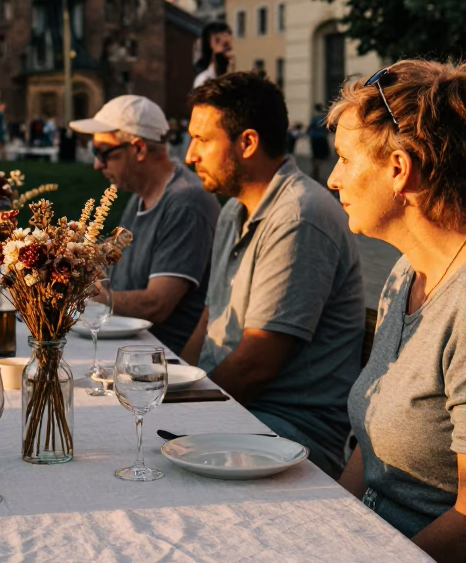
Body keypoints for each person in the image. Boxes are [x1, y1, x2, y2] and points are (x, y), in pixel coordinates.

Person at [181, 59, 466, 563]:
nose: (333, 180)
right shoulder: (408, 278)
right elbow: (370, 448)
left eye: (344, 160)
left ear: (400, 169)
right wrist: (320, 536)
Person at [184, 72, 365, 477]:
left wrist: (187, 415)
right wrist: (173, 389)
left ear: (247, 142)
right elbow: (209, 318)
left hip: (285, 431)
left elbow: (256, 365)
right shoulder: (234, 210)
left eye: (203, 139)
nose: (190, 155)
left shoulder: (298, 217)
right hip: (237, 411)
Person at [69, 95, 220, 357]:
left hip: (163, 363)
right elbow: (115, 274)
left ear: (138, 149)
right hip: (127, 345)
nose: (97, 164)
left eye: (102, 153)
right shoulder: (141, 197)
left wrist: (76, 291)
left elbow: (157, 304)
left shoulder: (186, 202)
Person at [193, 21, 234, 89]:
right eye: (225, 44)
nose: (230, 52)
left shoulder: (231, 80)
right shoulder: (203, 81)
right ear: (212, 43)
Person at [307, 102, 331, 183]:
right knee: (323, 156)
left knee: (315, 156)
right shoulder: (325, 117)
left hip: (315, 139)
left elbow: (309, 128)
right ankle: (317, 171)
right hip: (323, 138)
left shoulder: (314, 118)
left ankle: (316, 171)